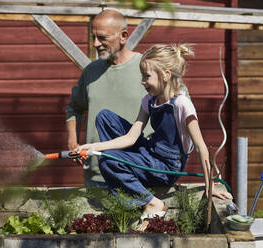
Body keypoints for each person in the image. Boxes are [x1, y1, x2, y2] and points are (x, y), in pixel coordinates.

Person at [77, 43, 233, 229]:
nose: (142, 82)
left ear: (165, 75)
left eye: (146, 76)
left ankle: (152, 202)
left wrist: (210, 185)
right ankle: (125, 168)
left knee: (108, 162)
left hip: (166, 166)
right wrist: (92, 148)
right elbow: (130, 138)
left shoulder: (182, 105)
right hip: (151, 154)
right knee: (105, 117)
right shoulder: (149, 100)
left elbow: (200, 146)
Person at [66, 9, 153, 187]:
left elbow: (180, 109)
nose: (96, 44)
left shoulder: (148, 68)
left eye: (102, 38)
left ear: (123, 36)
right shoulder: (90, 71)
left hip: (141, 173)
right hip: (98, 176)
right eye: (94, 37)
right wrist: (72, 141)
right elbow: (74, 108)